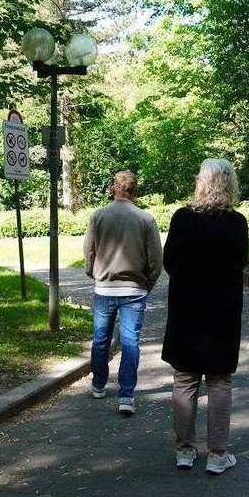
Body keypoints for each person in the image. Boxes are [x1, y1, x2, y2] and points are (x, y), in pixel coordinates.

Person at [161, 158, 249, 475]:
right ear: (229, 184)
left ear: (201, 182)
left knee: (185, 379)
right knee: (219, 381)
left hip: (187, 308)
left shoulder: (182, 219)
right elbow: (241, 262)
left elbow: (168, 260)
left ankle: (185, 450)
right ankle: (217, 454)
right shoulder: (237, 222)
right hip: (222, 311)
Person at [83, 170, 163, 416]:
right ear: (135, 191)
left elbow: (89, 251)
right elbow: (156, 260)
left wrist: (93, 273)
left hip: (104, 288)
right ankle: (126, 395)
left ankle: (98, 384)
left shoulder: (98, 216)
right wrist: (146, 284)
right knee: (130, 342)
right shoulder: (145, 219)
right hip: (134, 289)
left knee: (100, 339)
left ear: (113, 189)